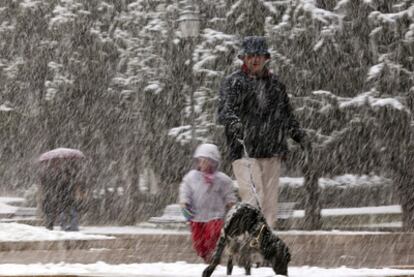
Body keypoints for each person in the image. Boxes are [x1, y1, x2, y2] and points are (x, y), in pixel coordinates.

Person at [217, 36, 310, 228]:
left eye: (259, 55)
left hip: (272, 151)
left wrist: (299, 135)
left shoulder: (276, 85)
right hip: (245, 152)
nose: (255, 59)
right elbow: (224, 112)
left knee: (269, 204)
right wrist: (235, 124)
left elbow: (286, 115)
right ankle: (250, 239)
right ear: (243, 58)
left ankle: (264, 246)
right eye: (251, 55)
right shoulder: (233, 82)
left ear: (266, 58)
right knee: (253, 198)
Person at [179, 143, 237, 263]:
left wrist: (232, 206)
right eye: (201, 161)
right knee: (199, 243)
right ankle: (206, 256)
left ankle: (214, 254)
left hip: (215, 216)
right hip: (196, 216)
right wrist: (184, 203)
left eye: (207, 161)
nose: (203, 164)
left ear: (214, 162)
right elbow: (185, 190)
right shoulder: (191, 177)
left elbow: (229, 195)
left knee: (212, 237)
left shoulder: (222, 179)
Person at [39, 160, 82, 231]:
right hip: (65, 197)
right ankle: (69, 226)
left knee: (64, 213)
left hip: (62, 197)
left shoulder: (56, 176)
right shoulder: (68, 176)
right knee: (69, 213)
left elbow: (56, 187)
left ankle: (61, 226)